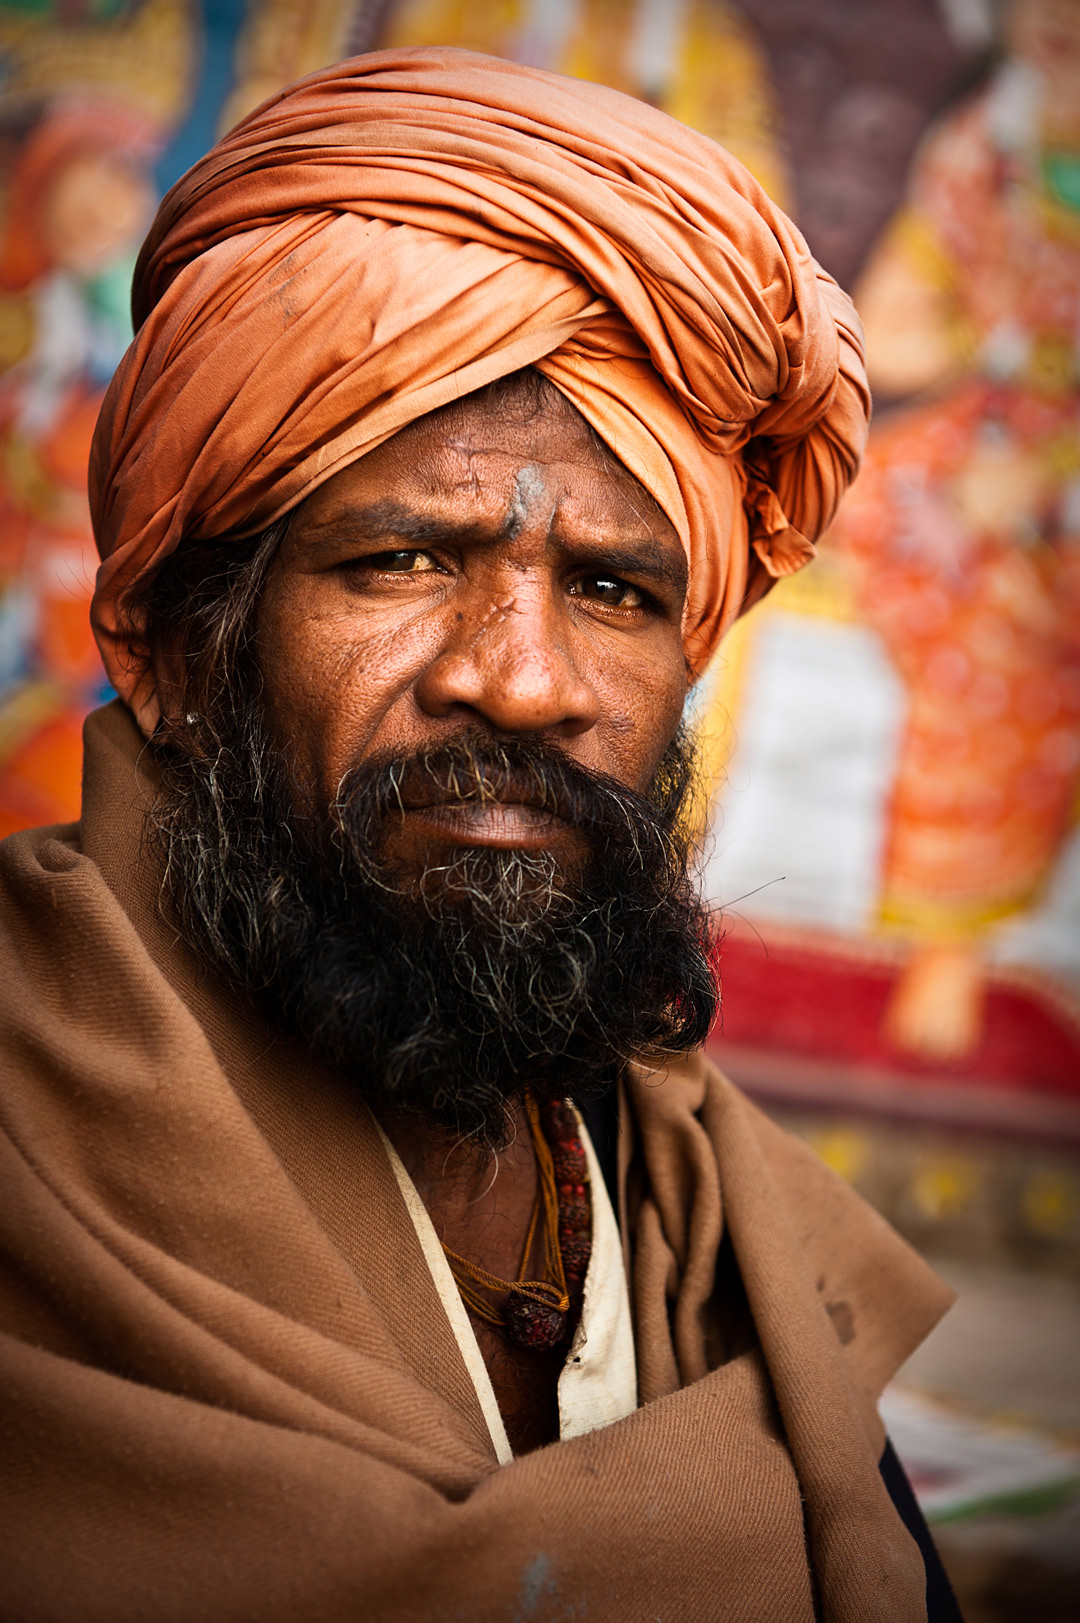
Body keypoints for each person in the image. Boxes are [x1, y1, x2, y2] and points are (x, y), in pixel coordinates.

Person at [0, 49, 959, 1621]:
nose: (522, 681)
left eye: (614, 589)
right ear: (176, 651)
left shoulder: (705, 1214)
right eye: (400, 557)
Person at [834, 0, 1080, 1062]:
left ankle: (962, 938)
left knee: (1004, 613)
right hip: (994, 433)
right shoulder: (988, 141)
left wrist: (1040, 480)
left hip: (1054, 469)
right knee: (869, 504)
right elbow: (901, 307)